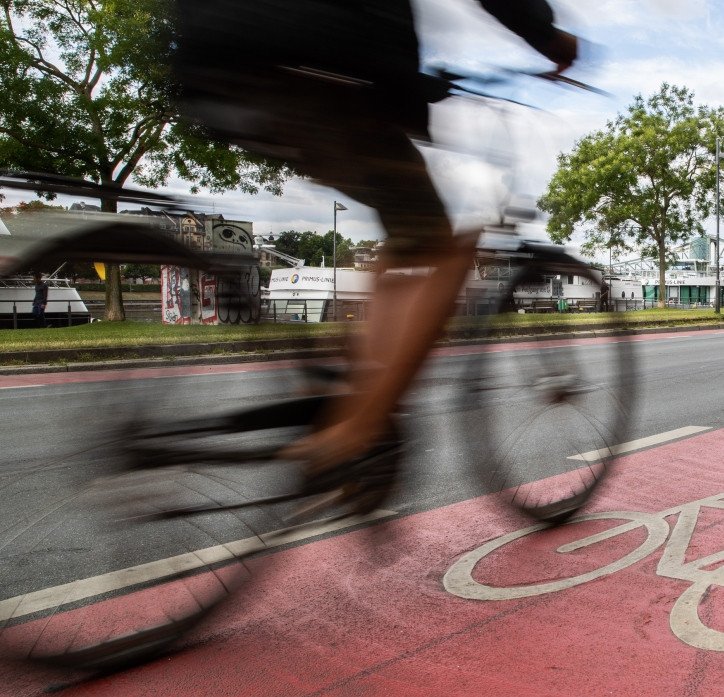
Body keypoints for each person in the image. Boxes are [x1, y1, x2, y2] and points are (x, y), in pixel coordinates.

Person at [172, 1, 578, 474]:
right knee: (445, 249)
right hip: (323, 65)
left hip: (211, 62)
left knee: (405, 238)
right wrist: (549, 37)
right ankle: (357, 429)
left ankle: (351, 387)